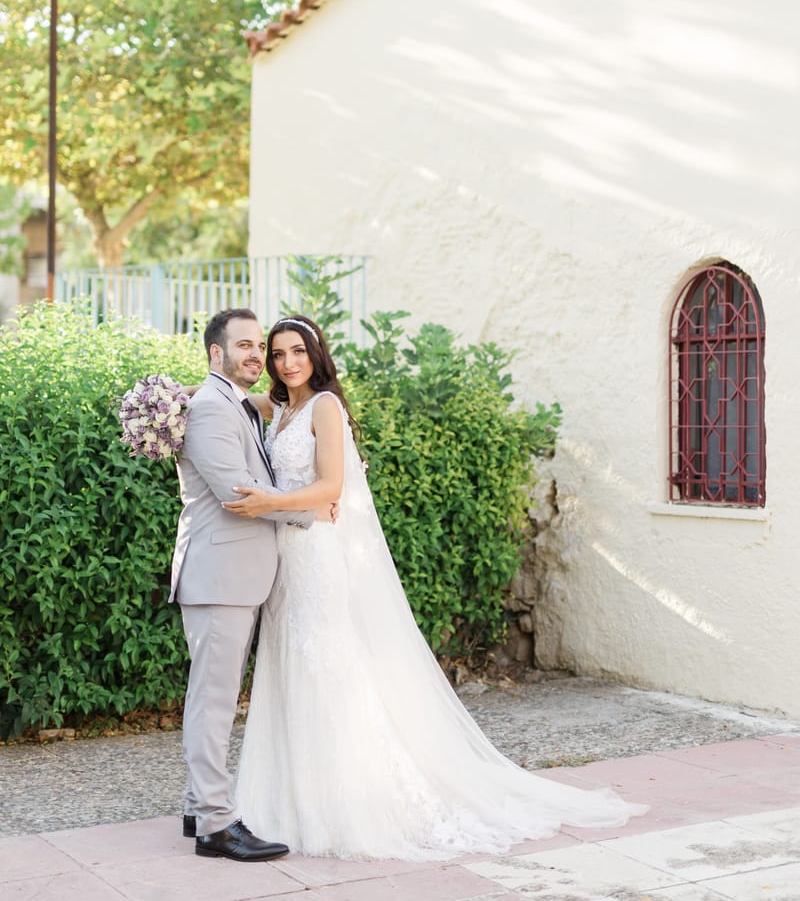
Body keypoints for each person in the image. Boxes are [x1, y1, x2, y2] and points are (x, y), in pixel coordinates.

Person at [222, 313, 646, 860]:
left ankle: (356, 800)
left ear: (316, 353)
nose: (287, 362)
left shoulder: (324, 407)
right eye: (278, 354)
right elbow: (228, 397)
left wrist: (269, 502)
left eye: (297, 351)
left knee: (326, 663)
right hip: (286, 557)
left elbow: (331, 485)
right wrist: (174, 396)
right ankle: (292, 797)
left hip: (317, 555)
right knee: (289, 664)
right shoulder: (280, 409)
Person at [170, 308, 332, 863]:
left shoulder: (232, 403)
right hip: (220, 575)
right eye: (244, 345)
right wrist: (308, 513)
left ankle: (199, 807)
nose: (255, 355)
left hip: (233, 575)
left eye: (258, 345)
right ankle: (217, 824)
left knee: (211, 697)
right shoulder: (213, 409)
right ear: (216, 353)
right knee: (213, 702)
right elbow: (239, 493)